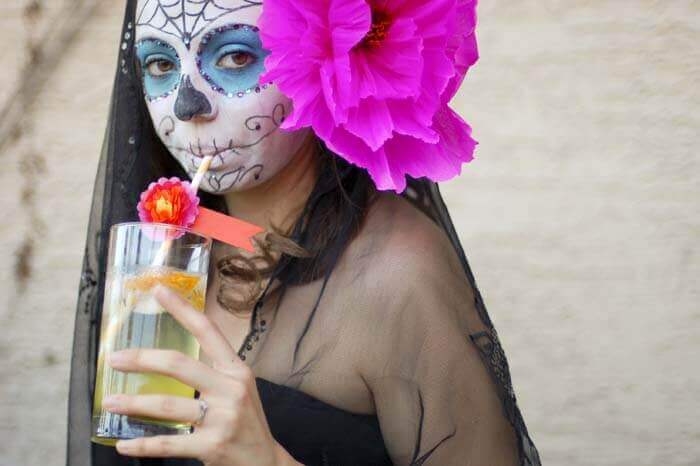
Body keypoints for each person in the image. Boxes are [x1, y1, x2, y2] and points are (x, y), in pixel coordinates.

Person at [67, 1, 541, 465]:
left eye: (236, 57)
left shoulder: (399, 275)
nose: (188, 104)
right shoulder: (156, 254)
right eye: (159, 63)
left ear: (323, 60)